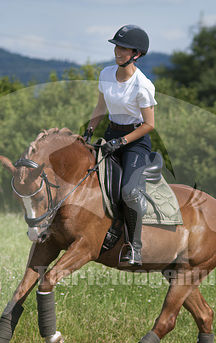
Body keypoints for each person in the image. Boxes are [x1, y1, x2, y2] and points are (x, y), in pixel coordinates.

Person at [84, 24, 157, 266]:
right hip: (111, 133)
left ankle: (135, 247)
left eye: (123, 48)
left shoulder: (143, 85)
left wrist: (122, 142)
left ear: (136, 54)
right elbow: (100, 108)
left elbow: (149, 125)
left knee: (128, 191)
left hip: (135, 141)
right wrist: (89, 131)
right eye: (117, 46)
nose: (117, 51)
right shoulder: (105, 74)